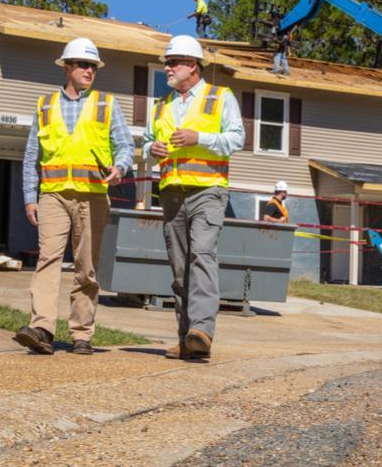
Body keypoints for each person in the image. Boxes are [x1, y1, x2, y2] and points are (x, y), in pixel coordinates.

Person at [14, 37, 134, 356]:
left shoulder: (107, 105)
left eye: (93, 66)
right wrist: (29, 197)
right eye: (83, 64)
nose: (89, 71)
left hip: (92, 197)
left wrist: (120, 167)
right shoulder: (45, 105)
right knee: (47, 259)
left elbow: (126, 146)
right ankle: (41, 328)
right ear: (67, 67)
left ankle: (81, 333)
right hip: (52, 195)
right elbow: (31, 157)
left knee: (86, 267)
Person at [142, 35, 245, 361]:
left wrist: (197, 138)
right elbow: (146, 144)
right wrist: (151, 150)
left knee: (202, 254)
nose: (167, 68)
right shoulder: (161, 106)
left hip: (208, 190)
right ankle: (188, 338)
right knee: (180, 268)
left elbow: (237, 139)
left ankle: (201, 330)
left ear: (192, 65)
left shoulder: (220, 97)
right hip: (171, 193)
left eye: (173, 62)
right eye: (167, 63)